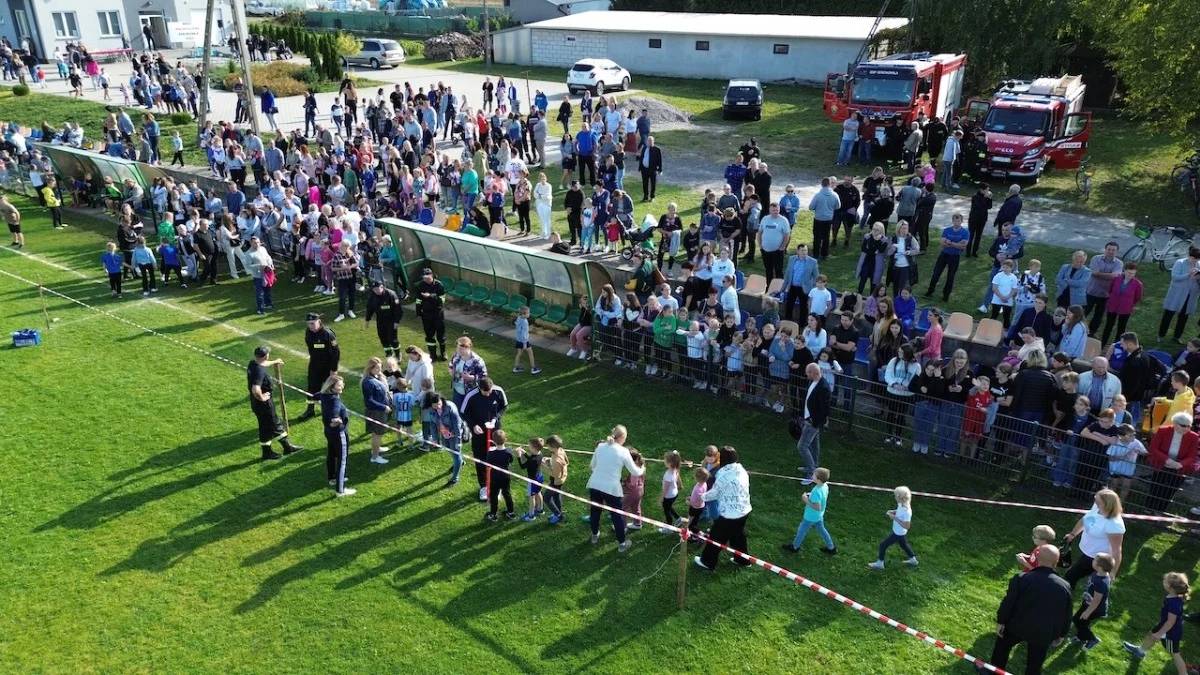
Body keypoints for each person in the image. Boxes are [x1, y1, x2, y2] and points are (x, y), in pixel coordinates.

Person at [980, 545, 1072, 675]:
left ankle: (995, 671)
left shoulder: (1022, 579)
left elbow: (1008, 603)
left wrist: (1001, 621)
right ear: (1056, 563)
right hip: (1043, 632)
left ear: (1037, 559)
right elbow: (1067, 613)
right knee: (1035, 663)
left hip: (1017, 625)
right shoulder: (1065, 586)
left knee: (1002, 647)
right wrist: (1062, 634)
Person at [587, 425, 644, 553]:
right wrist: (643, 469)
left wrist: (601, 473)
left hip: (595, 484)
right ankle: (622, 544)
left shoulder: (600, 447)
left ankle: (594, 535)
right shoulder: (623, 451)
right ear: (622, 437)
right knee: (617, 516)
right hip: (611, 489)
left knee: (595, 511)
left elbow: (592, 466)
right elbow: (635, 472)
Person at [696, 446, 752, 570]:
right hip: (744, 509)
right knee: (737, 535)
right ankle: (743, 560)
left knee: (716, 537)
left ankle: (707, 561)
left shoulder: (723, 474)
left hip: (730, 514)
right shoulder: (741, 469)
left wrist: (700, 496)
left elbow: (714, 493)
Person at [1123, 573, 1191, 674]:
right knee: (1151, 635)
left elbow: (1170, 622)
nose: (1163, 581)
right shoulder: (1173, 596)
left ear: (1172, 589)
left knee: (1174, 653)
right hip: (1164, 624)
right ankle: (1140, 652)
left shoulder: (1174, 604)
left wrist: (1160, 633)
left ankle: (1183, 673)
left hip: (1170, 633)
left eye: (1165, 581)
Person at [247, 346, 303, 461]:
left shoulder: (253, 364)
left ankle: (280, 448)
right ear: (265, 356)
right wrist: (262, 397)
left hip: (256, 403)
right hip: (264, 404)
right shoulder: (260, 371)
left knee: (269, 425)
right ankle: (277, 450)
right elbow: (255, 389)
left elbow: (264, 364)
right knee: (271, 426)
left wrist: (275, 362)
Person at [1061, 489, 1125, 588]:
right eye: (1095, 499)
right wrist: (1073, 534)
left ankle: (1066, 598)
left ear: (1107, 504)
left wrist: (1113, 572)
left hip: (1098, 558)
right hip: (1088, 552)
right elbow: (1085, 519)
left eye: (1098, 501)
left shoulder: (1114, 525)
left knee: (1071, 576)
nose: (1095, 503)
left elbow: (1117, 550)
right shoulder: (1097, 507)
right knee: (1084, 581)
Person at [461, 376, 508, 502]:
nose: (488, 394)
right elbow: (463, 412)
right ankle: (483, 486)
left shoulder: (498, 391)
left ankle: (495, 487)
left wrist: (496, 418)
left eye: (489, 391)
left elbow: (504, 406)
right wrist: (473, 425)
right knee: (480, 458)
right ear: (479, 388)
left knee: (496, 457)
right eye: (485, 392)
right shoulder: (471, 395)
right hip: (479, 432)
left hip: (495, 431)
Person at [1145, 412, 1199, 512]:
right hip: (1162, 464)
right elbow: (1153, 448)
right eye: (1183, 426)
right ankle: (1148, 509)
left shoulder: (1194, 437)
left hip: (1180, 469)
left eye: (1189, 426)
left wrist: (1180, 464)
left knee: (1170, 491)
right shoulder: (1163, 431)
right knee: (1155, 487)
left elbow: (1192, 456)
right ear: (1175, 423)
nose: (1186, 428)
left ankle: (1159, 512)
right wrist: (1167, 459)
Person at [782, 466, 837, 554]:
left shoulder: (816, 491)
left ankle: (794, 547)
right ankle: (831, 547)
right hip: (819, 515)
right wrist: (810, 495)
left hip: (810, 516)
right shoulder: (824, 486)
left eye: (814, 475)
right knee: (822, 530)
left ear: (818, 479)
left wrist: (806, 500)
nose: (812, 476)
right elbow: (820, 498)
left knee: (802, 530)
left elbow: (817, 507)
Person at [298, 313, 340, 421]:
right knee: (311, 387)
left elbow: (335, 353)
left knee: (330, 388)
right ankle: (310, 409)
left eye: (313, 323)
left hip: (327, 367)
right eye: (308, 324)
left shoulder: (328, 334)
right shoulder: (308, 332)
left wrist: (334, 369)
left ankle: (333, 410)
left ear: (319, 322)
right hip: (315, 365)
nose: (311, 326)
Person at [320, 375, 356, 497]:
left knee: (331, 454)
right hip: (338, 433)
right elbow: (333, 418)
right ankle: (340, 490)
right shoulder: (334, 400)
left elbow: (315, 395)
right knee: (342, 459)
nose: (342, 386)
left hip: (328, 432)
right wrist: (338, 421)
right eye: (339, 385)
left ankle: (332, 478)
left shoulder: (324, 395)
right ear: (332, 387)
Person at [868, 486, 918, 569]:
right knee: (903, 544)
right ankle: (913, 560)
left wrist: (895, 518)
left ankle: (880, 563)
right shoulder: (902, 504)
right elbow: (900, 511)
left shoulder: (907, 511)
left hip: (898, 532)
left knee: (883, 545)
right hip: (899, 531)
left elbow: (907, 526)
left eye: (895, 496)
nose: (894, 497)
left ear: (900, 498)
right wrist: (894, 511)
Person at [795, 363, 830, 480]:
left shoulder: (823, 387)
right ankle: (813, 466)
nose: (806, 374)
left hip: (812, 422)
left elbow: (825, 409)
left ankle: (812, 472)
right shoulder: (814, 382)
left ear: (813, 373)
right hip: (808, 419)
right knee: (814, 445)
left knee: (802, 446)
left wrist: (813, 421)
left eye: (807, 372)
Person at [1159, 247, 1200, 344]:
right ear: (1190, 256)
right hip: (1177, 294)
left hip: (1190, 295)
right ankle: (1161, 335)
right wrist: (1188, 274)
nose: (1196, 261)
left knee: (1183, 317)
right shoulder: (1180, 263)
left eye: (1198, 259)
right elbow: (1174, 277)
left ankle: (1177, 336)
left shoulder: (1199, 264)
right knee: (1168, 315)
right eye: (1194, 259)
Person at [924, 213, 968, 301]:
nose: (956, 222)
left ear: (961, 221)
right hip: (944, 255)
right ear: (952, 221)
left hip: (955, 256)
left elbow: (963, 246)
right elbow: (942, 244)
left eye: (958, 220)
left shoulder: (965, 232)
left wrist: (949, 242)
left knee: (950, 276)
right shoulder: (947, 230)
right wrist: (956, 244)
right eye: (954, 220)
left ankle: (946, 295)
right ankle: (930, 291)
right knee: (936, 273)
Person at [428, 393, 465, 487]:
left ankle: (454, 479)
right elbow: (432, 424)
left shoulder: (450, 407)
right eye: (435, 405)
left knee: (456, 455)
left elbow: (457, 425)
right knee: (450, 451)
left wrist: (458, 441)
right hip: (444, 435)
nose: (438, 407)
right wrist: (435, 439)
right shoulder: (431, 410)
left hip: (454, 434)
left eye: (439, 404)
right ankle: (461, 462)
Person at [1101, 263, 1143, 346]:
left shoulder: (1138, 284)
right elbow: (1111, 289)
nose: (1130, 275)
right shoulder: (1116, 279)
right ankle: (1103, 343)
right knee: (1108, 325)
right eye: (1128, 272)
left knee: (1121, 328)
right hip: (1113, 305)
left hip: (1125, 308)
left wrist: (1129, 303)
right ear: (1124, 271)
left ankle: (1117, 345)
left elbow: (1138, 297)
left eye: (1133, 273)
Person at [414, 268, 447, 361]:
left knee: (441, 334)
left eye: (428, 278)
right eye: (424, 278)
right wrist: (418, 311)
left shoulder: (439, 285)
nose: (426, 280)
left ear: (432, 276)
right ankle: (433, 354)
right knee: (429, 335)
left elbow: (441, 300)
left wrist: (430, 296)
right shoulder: (420, 286)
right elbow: (418, 300)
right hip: (426, 314)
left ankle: (443, 352)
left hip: (437, 313)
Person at [364, 280, 403, 358]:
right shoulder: (372, 295)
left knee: (392, 338)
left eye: (377, 289)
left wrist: (396, 321)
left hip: (391, 319)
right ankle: (388, 353)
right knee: (382, 337)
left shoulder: (391, 295)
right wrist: (367, 319)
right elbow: (370, 307)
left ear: (382, 287)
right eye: (374, 289)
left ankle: (398, 354)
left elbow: (398, 309)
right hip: (380, 319)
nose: (376, 291)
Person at [483, 429, 516, 521]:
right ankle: (511, 512)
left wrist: (491, 451)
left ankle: (493, 514)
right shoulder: (509, 451)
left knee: (494, 495)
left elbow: (488, 464)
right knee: (507, 493)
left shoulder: (491, 453)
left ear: (493, 441)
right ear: (505, 439)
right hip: (505, 477)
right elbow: (511, 460)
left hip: (495, 478)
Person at [782, 243, 819, 321]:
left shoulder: (813, 262)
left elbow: (816, 276)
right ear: (798, 251)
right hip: (793, 286)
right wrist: (784, 287)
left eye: (805, 250)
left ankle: (802, 325)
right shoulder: (791, 259)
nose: (804, 252)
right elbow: (788, 273)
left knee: (803, 307)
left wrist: (814, 289)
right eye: (802, 250)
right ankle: (788, 322)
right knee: (789, 305)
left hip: (804, 288)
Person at [516, 437, 545, 521]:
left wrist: (519, 456)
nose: (528, 447)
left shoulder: (532, 460)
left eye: (530, 446)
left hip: (532, 480)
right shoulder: (540, 454)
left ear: (534, 448)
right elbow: (531, 458)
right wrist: (524, 453)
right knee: (538, 493)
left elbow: (522, 466)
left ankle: (531, 515)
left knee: (531, 497)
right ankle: (540, 509)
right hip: (539, 477)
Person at [512, 304, 541, 374]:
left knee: (519, 353)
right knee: (530, 353)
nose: (529, 314)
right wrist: (525, 344)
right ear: (523, 314)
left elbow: (518, 327)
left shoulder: (519, 318)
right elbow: (524, 334)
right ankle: (533, 368)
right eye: (528, 313)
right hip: (524, 341)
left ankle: (516, 367)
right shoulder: (525, 322)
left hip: (518, 340)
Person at [637, 136, 662, 202]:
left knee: (653, 183)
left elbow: (659, 160)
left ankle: (652, 196)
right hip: (644, 169)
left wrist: (660, 169)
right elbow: (642, 157)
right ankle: (645, 196)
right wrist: (640, 167)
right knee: (645, 183)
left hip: (652, 169)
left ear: (653, 141)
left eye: (650, 141)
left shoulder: (657, 149)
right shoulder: (644, 148)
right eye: (648, 141)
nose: (649, 142)